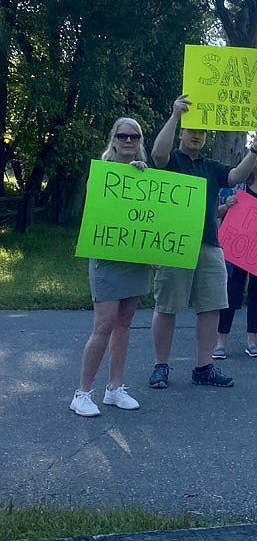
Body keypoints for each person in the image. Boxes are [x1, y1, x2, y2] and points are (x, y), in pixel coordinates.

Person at [149, 94, 257, 388]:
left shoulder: (211, 166)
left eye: (202, 132)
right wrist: (176, 115)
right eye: (192, 131)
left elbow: (238, 174)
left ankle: (204, 368)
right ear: (183, 133)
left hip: (209, 245)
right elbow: (157, 155)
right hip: (174, 243)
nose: (197, 136)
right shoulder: (172, 160)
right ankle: (161, 366)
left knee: (211, 306)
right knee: (167, 306)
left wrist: (254, 149)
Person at [70, 118, 151, 417]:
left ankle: (114, 389)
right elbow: (98, 207)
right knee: (104, 325)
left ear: (140, 141)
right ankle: (82, 393)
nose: (129, 140)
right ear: (114, 139)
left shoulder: (146, 176)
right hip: (106, 258)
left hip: (135, 260)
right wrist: (127, 175)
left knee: (125, 323)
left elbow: (151, 219)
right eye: (123, 135)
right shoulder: (102, 173)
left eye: (135, 136)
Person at [213, 144, 257, 359]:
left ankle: (252, 340)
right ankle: (220, 342)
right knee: (232, 294)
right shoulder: (237, 185)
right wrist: (228, 204)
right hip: (237, 250)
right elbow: (219, 212)